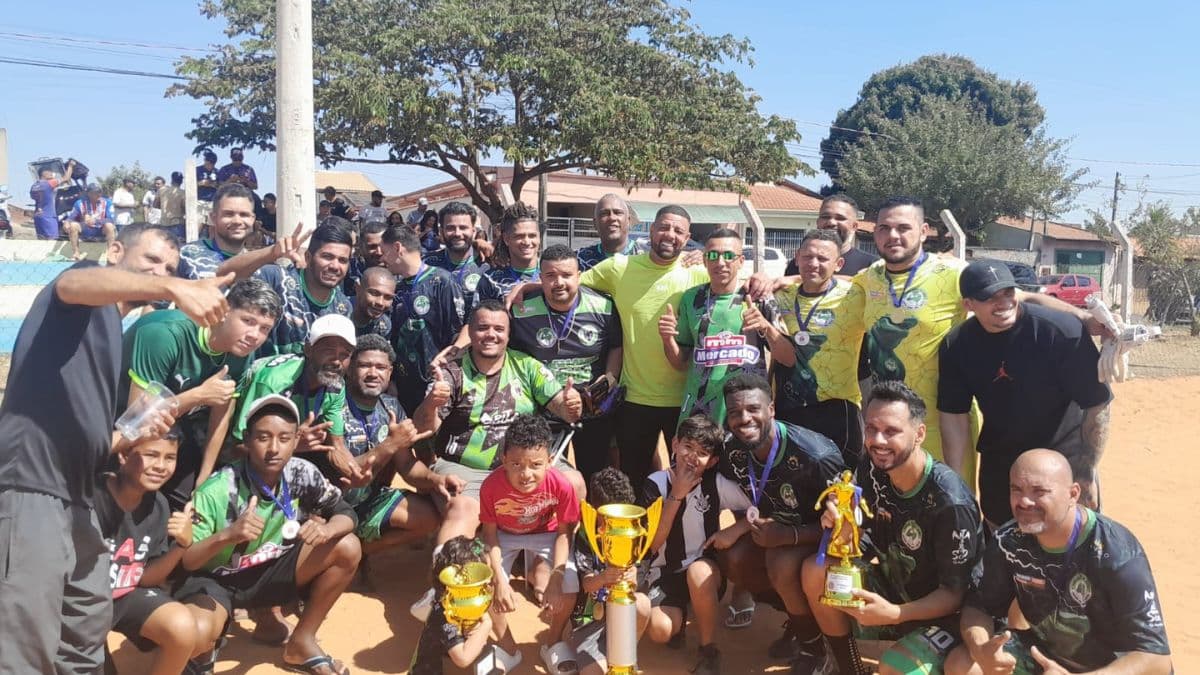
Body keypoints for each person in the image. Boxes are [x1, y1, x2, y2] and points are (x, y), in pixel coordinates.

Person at [0, 223, 229, 673]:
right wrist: (173, 286)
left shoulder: (110, 330)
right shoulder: (85, 292)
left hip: (76, 494)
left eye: (170, 267)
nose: (161, 272)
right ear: (115, 250)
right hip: (32, 486)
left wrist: (136, 434)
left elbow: (98, 443)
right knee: (27, 634)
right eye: (151, 260)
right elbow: (73, 284)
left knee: (87, 614)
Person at [796, 380, 984, 675]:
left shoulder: (950, 502)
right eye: (871, 428)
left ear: (919, 434)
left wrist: (895, 614)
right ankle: (850, 669)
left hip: (946, 614)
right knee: (815, 572)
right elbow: (866, 536)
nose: (878, 441)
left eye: (891, 431)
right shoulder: (873, 468)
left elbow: (955, 594)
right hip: (896, 587)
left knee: (894, 668)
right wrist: (845, 528)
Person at [178, 394, 362, 675]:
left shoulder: (301, 472)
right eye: (263, 437)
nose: (274, 448)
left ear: (296, 440)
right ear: (247, 439)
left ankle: (301, 643)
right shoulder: (217, 488)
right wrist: (228, 535)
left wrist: (327, 529)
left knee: (347, 546)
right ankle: (202, 651)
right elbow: (188, 561)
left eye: (284, 438)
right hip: (217, 581)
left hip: (268, 571)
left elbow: (346, 512)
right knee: (199, 631)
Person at [945, 449, 1173, 675]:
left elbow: (1156, 660)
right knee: (962, 664)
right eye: (1016, 490)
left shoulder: (1116, 552)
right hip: (1045, 656)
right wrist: (982, 649)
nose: (1024, 501)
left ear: (1073, 494)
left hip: (1110, 669)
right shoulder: (1008, 541)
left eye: (1039, 491)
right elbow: (978, 606)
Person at [939, 260, 1112, 525]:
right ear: (968, 304)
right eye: (989, 297)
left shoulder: (1061, 332)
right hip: (1001, 462)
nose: (1003, 303)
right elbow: (954, 416)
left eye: (1008, 292)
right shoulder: (957, 345)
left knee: (1069, 537)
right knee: (1001, 536)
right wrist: (956, 482)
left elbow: (1097, 404)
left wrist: (1086, 472)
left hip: (1062, 458)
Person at [120, 278, 282, 510]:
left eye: (264, 329)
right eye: (248, 321)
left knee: (191, 501)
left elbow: (221, 415)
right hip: (118, 416)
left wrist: (203, 479)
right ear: (224, 311)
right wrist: (198, 395)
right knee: (132, 489)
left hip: (172, 420)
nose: (254, 335)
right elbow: (136, 420)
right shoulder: (166, 335)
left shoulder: (241, 353)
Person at [717, 373, 843, 670]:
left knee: (781, 562)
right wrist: (741, 527)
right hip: (776, 532)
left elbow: (848, 528)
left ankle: (816, 649)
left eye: (753, 409)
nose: (744, 419)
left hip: (822, 543)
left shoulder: (816, 456)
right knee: (733, 558)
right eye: (734, 412)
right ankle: (801, 625)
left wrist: (790, 536)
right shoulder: (733, 449)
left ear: (771, 409)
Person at [578, 205, 709, 489]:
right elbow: (566, 283)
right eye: (664, 227)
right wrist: (526, 288)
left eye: (678, 231)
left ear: (687, 239)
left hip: (684, 402)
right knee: (633, 482)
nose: (669, 235)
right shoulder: (619, 268)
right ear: (651, 230)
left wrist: (784, 278)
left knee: (686, 484)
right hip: (635, 400)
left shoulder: (699, 273)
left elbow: (741, 282)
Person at [641, 415, 754, 675]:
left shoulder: (715, 484)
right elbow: (653, 544)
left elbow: (760, 508)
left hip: (705, 568)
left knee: (698, 572)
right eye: (688, 447)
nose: (692, 457)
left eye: (702, 453)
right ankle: (681, 619)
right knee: (659, 631)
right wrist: (676, 495)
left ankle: (708, 649)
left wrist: (736, 529)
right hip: (665, 573)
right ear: (674, 444)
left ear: (712, 461)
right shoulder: (655, 484)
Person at [97, 429, 215, 675]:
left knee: (182, 626)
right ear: (123, 455)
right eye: (151, 455)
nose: (161, 466)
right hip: (81, 605)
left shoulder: (159, 505)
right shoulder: (92, 495)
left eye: (170, 458)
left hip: (122, 598)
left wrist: (181, 545)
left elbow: (146, 578)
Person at [509, 244, 623, 481]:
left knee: (594, 477)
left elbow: (616, 345)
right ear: (541, 279)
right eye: (550, 276)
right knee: (544, 479)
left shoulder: (604, 306)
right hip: (542, 410)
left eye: (566, 275)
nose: (559, 282)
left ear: (579, 276)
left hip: (591, 409)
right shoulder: (520, 309)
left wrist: (610, 378)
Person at [479, 414, 581, 674]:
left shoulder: (562, 485)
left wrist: (557, 577)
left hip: (547, 532)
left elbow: (564, 534)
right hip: (504, 534)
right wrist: (499, 580)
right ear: (503, 460)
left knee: (570, 584)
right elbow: (489, 535)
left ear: (550, 460)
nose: (526, 474)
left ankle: (553, 643)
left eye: (536, 465)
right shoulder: (490, 486)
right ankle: (508, 648)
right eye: (516, 464)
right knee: (484, 583)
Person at [231, 314, 369, 488]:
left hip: (286, 448)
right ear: (308, 349)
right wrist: (293, 444)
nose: (336, 361)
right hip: (234, 446)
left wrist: (356, 475)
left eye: (345, 354)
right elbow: (237, 448)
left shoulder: (336, 385)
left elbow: (337, 446)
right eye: (328, 350)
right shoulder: (275, 382)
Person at [339, 335, 444, 557]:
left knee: (428, 517)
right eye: (364, 365)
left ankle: (362, 552)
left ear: (389, 372)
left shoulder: (391, 407)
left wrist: (435, 480)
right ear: (349, 369)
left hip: (370, 500)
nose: (373, 373)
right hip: (333, 504)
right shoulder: (334, 406)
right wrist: (390, 444)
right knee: (336, 544)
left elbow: (406, 465)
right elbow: (345, 471)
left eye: (380, 367)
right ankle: (345, 551)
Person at [771, 229, 866, 468]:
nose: (813, 264)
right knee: (792, 482)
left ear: (838, 264)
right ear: (797, 258)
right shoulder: (780, 296)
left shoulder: (857, 294)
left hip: (838, 409)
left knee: (839, 484)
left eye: (823, 259)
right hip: (789, 408)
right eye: (807, 257)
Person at [661, 228, 769, 427]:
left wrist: (766, 327)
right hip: (700, 412)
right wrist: (667, 339)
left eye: (728, 256)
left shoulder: (757, 297)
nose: (720, 262)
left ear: (741, 261)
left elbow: (787, 357)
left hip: (746, 412)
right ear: (704, 261)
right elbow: (681, 363)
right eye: (712, 255)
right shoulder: (691, 298)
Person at [569, 468, 653, 675]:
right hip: (590, 622)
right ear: (596, 511)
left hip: (621, 616)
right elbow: (587, 584)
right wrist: (603, 578)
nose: (620, 522)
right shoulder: (585, 535)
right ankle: (605, 657)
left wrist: (633, 577)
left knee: (642, 604)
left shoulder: (634, 532)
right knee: (592, 673)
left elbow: (639, 582)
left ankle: (626, 659)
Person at [382, 224, 465, 413]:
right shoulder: (395, 288)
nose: (383, 259)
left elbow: (457, 332)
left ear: (397, 248)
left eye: (384, 252)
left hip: (437, 383)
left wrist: (447, 374)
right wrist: (392, 380)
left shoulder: (442, 281)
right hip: (403, 388)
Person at [409, 535, 523, 675]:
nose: (489, 581)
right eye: (482, 577)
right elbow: (462, 658)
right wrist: (486, 624)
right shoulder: (447, 613)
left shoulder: (461, 599)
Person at [254, 219, 355, 355]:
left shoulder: (343, 307)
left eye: (342, 260)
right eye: (327, 257)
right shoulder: (274, 279)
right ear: (308, 257)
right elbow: (229, 276)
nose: (335, 266)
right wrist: (271, 253)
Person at [424, 201, 490, 321]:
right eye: (450, 228)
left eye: (463, 227)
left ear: (474, 231)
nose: (457, 233)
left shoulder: (488, 264)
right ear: (441, 231)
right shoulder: (427, 264)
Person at [785, 195, 878, 277]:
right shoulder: (800, 264)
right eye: (825, 217)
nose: (831, 222)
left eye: (840, 218)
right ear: (818, 222)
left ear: (854, 226)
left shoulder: (871, 265)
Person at [477, 202, 543, 303]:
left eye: (532, 236)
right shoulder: (491, 280)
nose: (527, 242)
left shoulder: (552, 274)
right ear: (506, 239)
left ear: (539, 238)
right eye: (519, 236)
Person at [575, 194, 644, 272]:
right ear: (595, 223)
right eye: (604, 213)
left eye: (618, 212)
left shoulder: (648, 257)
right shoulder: (579, 261)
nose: (612, 218)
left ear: (628, 220)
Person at [64, 183, 117, 260]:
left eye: (100, 192)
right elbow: (71, 217)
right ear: (89, 193)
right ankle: (76, 253)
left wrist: (96, 221)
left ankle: (110, 254)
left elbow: (111, 219)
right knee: (73, 225)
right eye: (95, 192)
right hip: (85, 229)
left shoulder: (107, 202)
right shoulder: (79, 203)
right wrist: (67, 222)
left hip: (100, 229)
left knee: (109, 225)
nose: (99, 194)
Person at [30, 158, 76, 239]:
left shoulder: (34, 186)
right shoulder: (49, 183)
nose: (52, 173)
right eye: (50, 171)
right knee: (52, 240)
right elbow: (66, 178)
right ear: (44, 173)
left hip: (38, 216)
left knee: (41, 241)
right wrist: (71, 166)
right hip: (49, 216)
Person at [343, 219, 388, 297]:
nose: (379, 252)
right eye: (372, 247)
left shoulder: (400, 272)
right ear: (361, 247)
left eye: (383, 246)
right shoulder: (349, 272)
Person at [351, 266, 396, 338]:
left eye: (388, 297)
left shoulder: (383, 326)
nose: (380, 302)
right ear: (358, 289)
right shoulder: (340, 311)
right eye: (374, 293)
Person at [159, 172, 187, 240]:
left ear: (172, 180)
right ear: (181, 181)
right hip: (177, 223)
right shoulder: (183, 193)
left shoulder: (162, 190)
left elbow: (155, 204)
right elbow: (185, 208)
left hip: (164, 222)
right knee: (177, 244)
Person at [195, 150, 220, 224]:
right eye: (208, 163)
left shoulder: (217, 172)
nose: (209, 166)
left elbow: (220, 185)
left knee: (212, 223)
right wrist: (201, 183)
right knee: (199, 221)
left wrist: (213, 184)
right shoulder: (197, 170)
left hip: (212, 200)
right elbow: (190, 185)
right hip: (199, 199)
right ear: (205, 161)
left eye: (212, 164)